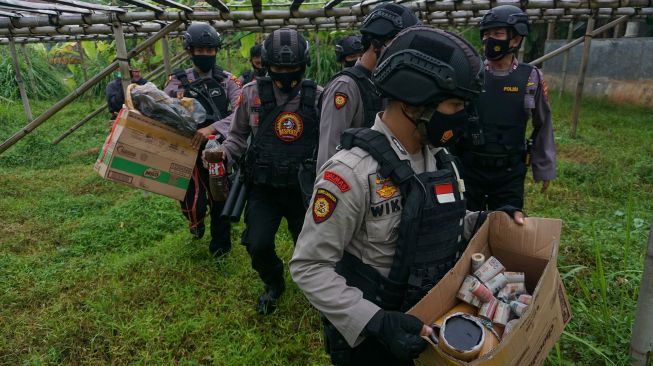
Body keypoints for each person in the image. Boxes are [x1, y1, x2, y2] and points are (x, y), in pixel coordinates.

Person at [290, 26, 525, 365]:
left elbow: (440, 224)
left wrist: (486, 221)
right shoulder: (349, 173)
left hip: (434, 321)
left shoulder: (441, 161)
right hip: (374, 339)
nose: (465, 116)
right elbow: (309, 266)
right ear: (415, 101)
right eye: (455, 104)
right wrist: (375, 322)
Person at [204, 28, 322, 315]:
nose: (284, 73)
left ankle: (319, 291)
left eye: (291, 67)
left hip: (302, 189)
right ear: (267, 65)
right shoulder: (251, 94)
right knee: (257, 244)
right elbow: (237, 138)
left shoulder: (318, 96)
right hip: (263, 187)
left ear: (303, 66)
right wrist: (221, 156)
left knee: (312, 249)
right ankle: (274, 283)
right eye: (278, 67)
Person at [455, 5, 556, 211]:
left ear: (516, 39)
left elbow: (543, 124)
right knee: (466, 228)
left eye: (498, 33)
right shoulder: (470, 72)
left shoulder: (531, 78)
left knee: (507, 228)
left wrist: (544, 168)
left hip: (509, 173)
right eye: (486, 34)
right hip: (469, 169)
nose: (489, 39)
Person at [163, 23, 242, 258]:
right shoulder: (175, 82)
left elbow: (240, 113)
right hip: (186, 149)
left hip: (217, 150)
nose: (206, 55)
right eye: (200, 50)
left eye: (211, 50)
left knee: (219, 197)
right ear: (189, 51)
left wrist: (211, 128)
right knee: (192, 201)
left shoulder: (228, 80)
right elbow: (162, 111)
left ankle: (220, 247)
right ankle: (195, 221)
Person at [316, 3, 419, 170]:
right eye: (399, 44)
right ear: (376, 43)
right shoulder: (346, 86)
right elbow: (329, 155)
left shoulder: (390, 83)